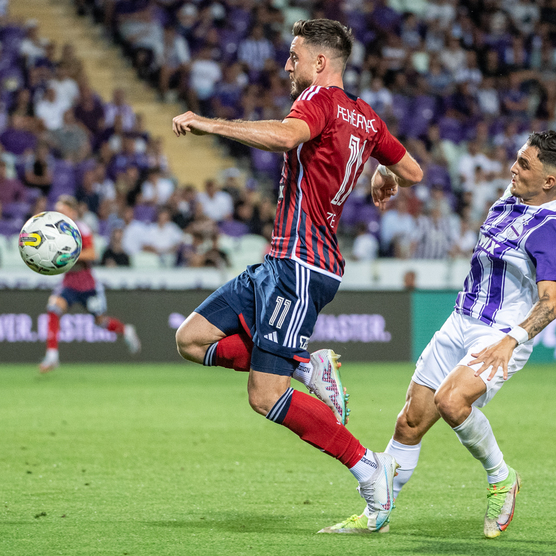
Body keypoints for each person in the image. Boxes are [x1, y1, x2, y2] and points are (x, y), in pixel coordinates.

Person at [171, 18, 423, 532]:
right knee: (191, 339)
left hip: (301, 267)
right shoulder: (366, 117)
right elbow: (414, 171)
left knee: (265, 395)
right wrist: (384, 170)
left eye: (294, 56)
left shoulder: (318, 99)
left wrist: (209, 124)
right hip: (282, 262)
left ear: (320, 62)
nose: (288, 65)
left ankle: (369, 468)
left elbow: (288, 137)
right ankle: (308, 367)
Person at [319, 131, 556, 537]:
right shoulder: (516, 196)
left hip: (499, 335)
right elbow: (420, 172)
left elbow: (551, 302)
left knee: (451, 400)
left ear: (550, 181)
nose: (513, 168)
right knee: (409, 422)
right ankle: (376, 515)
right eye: (518, 158)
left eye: (524, 164)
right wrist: (390, 171)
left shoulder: (552, 227)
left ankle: (502, 477)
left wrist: (511, 341)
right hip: (460, 319)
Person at [39, 195, 141, 372]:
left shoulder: (81, 229)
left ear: (72, 212)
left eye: (62, 211)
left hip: (87, 285)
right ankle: (52, 356)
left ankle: (125, 330)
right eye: (57, 211)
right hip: (68, 283)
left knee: (101, 321)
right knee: (53, 309)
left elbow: (92, 254)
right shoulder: (54, 232)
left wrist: (68, 255)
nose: (58, 215)